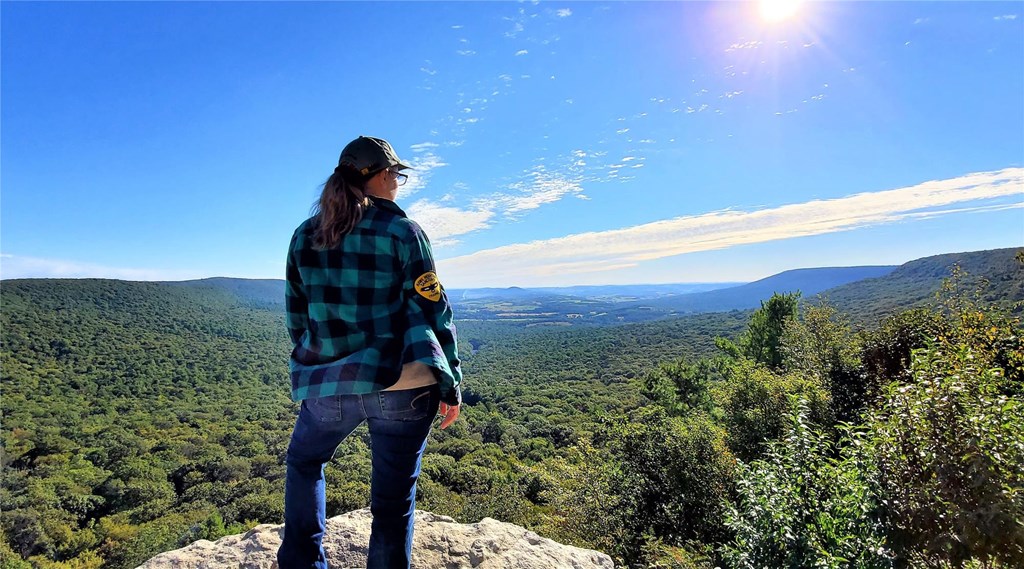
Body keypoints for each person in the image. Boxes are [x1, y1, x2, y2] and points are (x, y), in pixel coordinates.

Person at [278, 135, 462, 569]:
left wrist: (316, 362)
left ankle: (303, 563)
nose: (397, 183)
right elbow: (433, 307)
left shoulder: (306, 235)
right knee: (393, 503)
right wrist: (450, 380)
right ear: (380, 177)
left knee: (305, 463)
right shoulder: (404, 232)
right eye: (395, 175)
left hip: (328, 383)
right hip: (404, 382)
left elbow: (296, 317)